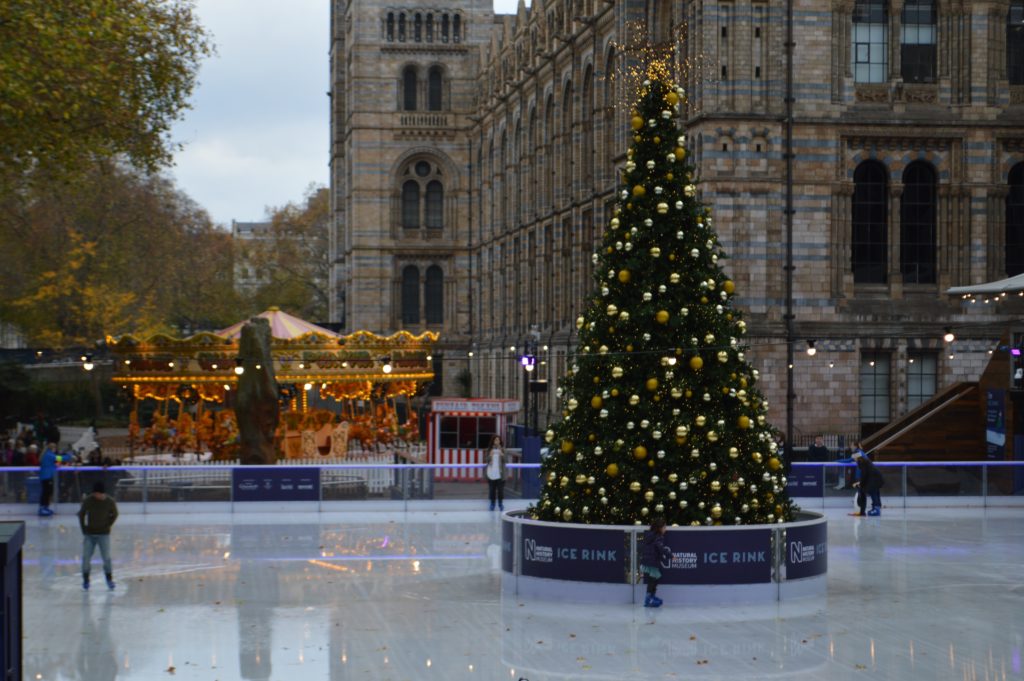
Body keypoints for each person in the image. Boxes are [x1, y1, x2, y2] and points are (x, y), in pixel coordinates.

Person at [78, 481, 119, 590]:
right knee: (86, 557)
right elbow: (81, 513)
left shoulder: (109, 502)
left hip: (103, 534)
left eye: (98, 494)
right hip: (90, 534)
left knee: (106, 557)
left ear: (102, 493)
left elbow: (115, 514)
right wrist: (84, 529)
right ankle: (86, 579)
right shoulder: (89, 500)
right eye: (94, 493)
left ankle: (109, 578)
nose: (96, 496)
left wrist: (108, 525)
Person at [640, 517, 672, 608]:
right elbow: (661, 548)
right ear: (659, 528)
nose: (666, 529)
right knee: (653, 579)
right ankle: (648, 599)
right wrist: (671, 555)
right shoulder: (658, 537)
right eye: (664, 527)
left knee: (654, 578)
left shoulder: (650, 535)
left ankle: (651, 597)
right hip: (652, 561)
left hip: (647, 560)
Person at [37, 442, 68, 516]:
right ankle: (43, 508)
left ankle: (45, 507)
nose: (55, 450)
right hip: (46, 477)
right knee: (47, 492)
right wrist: (69, 456)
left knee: (47, 492)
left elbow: (49, 464)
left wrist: (55, 466)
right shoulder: (49, 454)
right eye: (55, 448)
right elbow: (60, 458)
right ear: (52, 448)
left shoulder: (47, 454)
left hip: (46, 476)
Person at [485, 435, 507, 511]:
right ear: (493, 441)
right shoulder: (489, 450)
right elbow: (487, 460)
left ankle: (500, 504)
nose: (497, 442)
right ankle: (492, 504)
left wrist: (502, 454)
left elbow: (506, 460)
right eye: (495, 440)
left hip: (500, 474)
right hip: (491, 473)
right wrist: (490, 455)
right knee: (492, 491)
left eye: (498, 440)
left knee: (500, 491)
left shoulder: (503, 450)